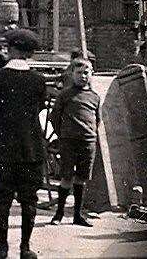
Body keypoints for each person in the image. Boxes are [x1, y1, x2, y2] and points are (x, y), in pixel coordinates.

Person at [0, 29, 47, 259]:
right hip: (30, 148)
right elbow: (39, 107)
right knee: (29, 200)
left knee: (1, 199)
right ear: (29, 54)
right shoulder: (38, 81)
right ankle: (25, 247)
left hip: (0, 148)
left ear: (10, 49)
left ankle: (2, 247)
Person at [49, 57, 100, 227]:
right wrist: (63, 134)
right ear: (72, 74)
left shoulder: (94, 97)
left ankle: (77, 215)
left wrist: (90, 134)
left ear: (91, 74)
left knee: (82, 178)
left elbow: (96, 119)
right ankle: (59, 214)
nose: (83, 76)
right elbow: (54, 117)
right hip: (68, 142)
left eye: (86, 73)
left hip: (88, 142)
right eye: (79, 73)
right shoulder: (65, 94)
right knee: (66, 177)